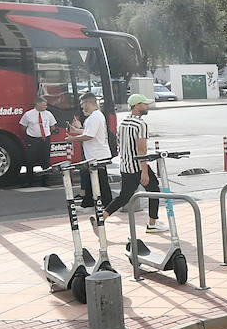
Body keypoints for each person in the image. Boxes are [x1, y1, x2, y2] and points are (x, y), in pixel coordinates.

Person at [97, 94, 163, 232]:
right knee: (154, 190)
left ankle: (102, 217)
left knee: (124, 197)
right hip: (139, 166)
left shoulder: (123, 123)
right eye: (144, 104)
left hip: (125, 166)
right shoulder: (141, 124)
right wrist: (144, 171)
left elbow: (120, 144)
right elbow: (142, 149)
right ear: (137, 105)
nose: (147, 106)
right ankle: (152, 224)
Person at [65, 95, 114, 208]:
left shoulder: (94, 117)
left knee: (100, 181)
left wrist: (73, 139)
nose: (82, 108)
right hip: (95, 154)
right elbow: (89, 132)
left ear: (88, 103)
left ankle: (102, 203)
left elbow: (89, 135)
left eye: (82, 105)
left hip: (97, 155)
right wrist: (76, 130)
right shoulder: (95, 116)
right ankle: (92, 202)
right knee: (94, 180)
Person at [19, 96, 57, 186]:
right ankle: (29, 181)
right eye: (44, 105)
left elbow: (53, 126)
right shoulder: (28, 114)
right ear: (37, 104)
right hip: (32, 139)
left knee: (45, 160)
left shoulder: (48, 114)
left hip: (45, 139)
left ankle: (45, 181)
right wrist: (32, 133)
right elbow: (23, 127)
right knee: (30, 160)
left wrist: (46, 134)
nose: (46, 107)